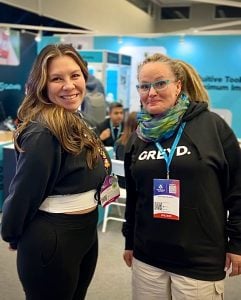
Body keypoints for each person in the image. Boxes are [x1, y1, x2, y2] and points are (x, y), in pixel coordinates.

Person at [122, 53, 241, 299]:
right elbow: (134, 197)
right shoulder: (140, 136)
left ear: (178, 85)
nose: (151, 92)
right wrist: (129, 241)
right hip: (148, 257)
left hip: (198, 259)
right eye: (144, 86)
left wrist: (238, 243)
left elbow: (238, 190)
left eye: (160, 83)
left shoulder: (212, 126)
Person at [1, 44, 111, 300]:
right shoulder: (42, 131)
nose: (69, 85)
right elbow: (23, 193)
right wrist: (12, 232)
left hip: (84, 230)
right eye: (56, 78)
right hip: (53, 238)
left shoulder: (77, 118)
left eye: (75, 75)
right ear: (42, 84)